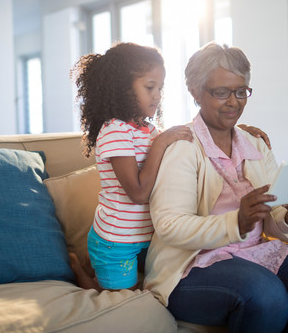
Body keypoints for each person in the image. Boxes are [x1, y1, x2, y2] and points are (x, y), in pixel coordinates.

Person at [144, 42, 288, 332]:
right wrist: (236, 221)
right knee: (267, 294)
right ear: (196, 93)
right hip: (193, 266)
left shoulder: (256, 144)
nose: (234, 102)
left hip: (255, 253)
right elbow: (170, 226)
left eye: (240, 91)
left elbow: (273, 213)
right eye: (221, 92)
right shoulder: (183, 149)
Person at [69, 42, 270, 291]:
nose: (157, 95)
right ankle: (78, 269)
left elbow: (189, 136)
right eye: (149, 87)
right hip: (117, 239)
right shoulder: (114, 131)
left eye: (160, 88)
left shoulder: (148, 131)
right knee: (121, 298)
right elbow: (139, 192)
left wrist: (237, 130)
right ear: (122, 89)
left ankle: (94, 264)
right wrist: (161, 142)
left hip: (144, 238)